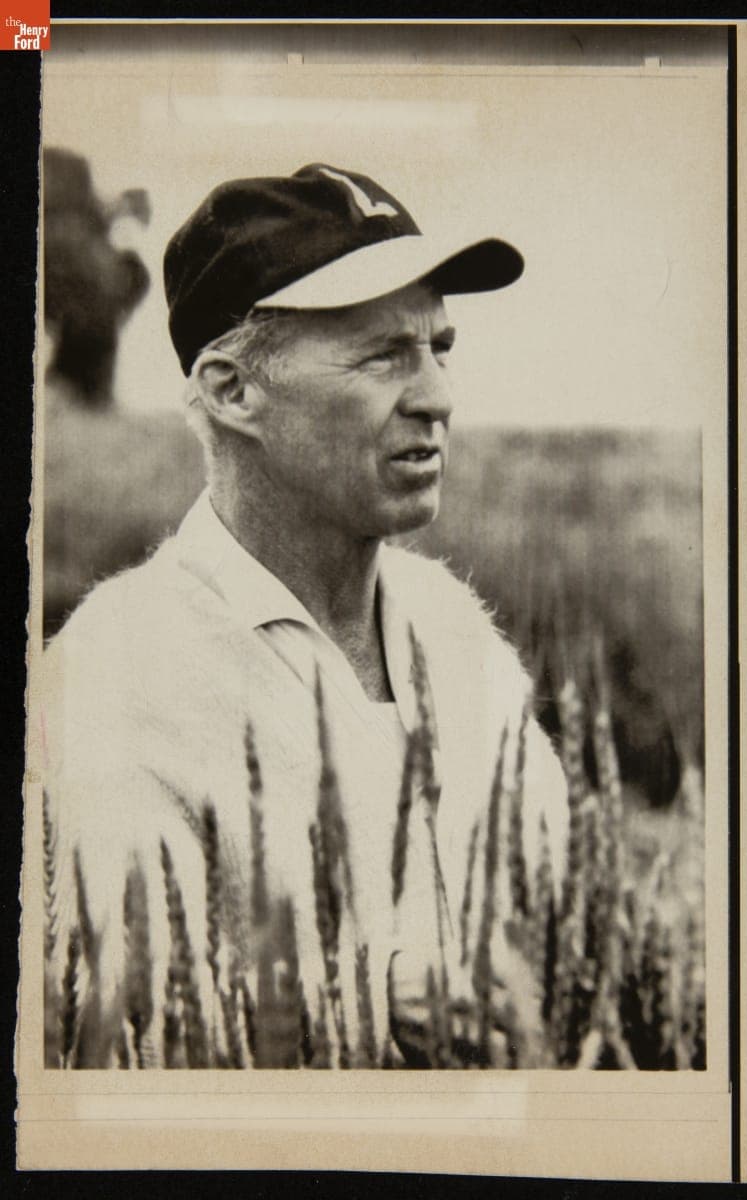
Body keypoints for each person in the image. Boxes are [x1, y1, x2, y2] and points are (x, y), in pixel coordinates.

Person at [41, 163, 569, 1068]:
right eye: (383, 356)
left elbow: (566, 914)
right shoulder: (116, 668)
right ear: (232, 391)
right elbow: (118, 1034)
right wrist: (370, 1003)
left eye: (440, 348)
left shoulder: (456, 632)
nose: (437, 397)